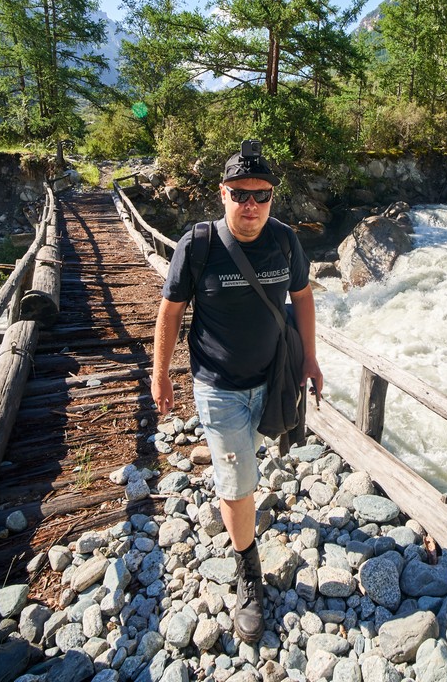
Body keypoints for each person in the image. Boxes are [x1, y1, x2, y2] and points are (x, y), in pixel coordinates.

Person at [150, 143, 324, 643]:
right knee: (238, 480)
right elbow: (170, 311)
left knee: (253, 465)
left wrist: (310, 359)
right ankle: (249, 572)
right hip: (219, 387)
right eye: (240, 194)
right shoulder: (199, 244)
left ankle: (243, 515)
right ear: (222, 194)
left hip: (272, 379)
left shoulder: (286, 242)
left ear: (272, 198)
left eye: (262, 195)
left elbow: (303, 297)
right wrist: (160, 374)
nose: (251, 205)